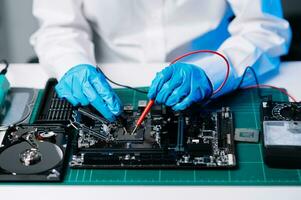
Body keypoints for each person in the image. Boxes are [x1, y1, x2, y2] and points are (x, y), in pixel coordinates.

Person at [31, 0, 291, 122]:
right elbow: (58, 28)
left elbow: (265, 27)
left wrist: (212, 71)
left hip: (213, 79)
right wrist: (72, 64)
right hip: (108, 80)